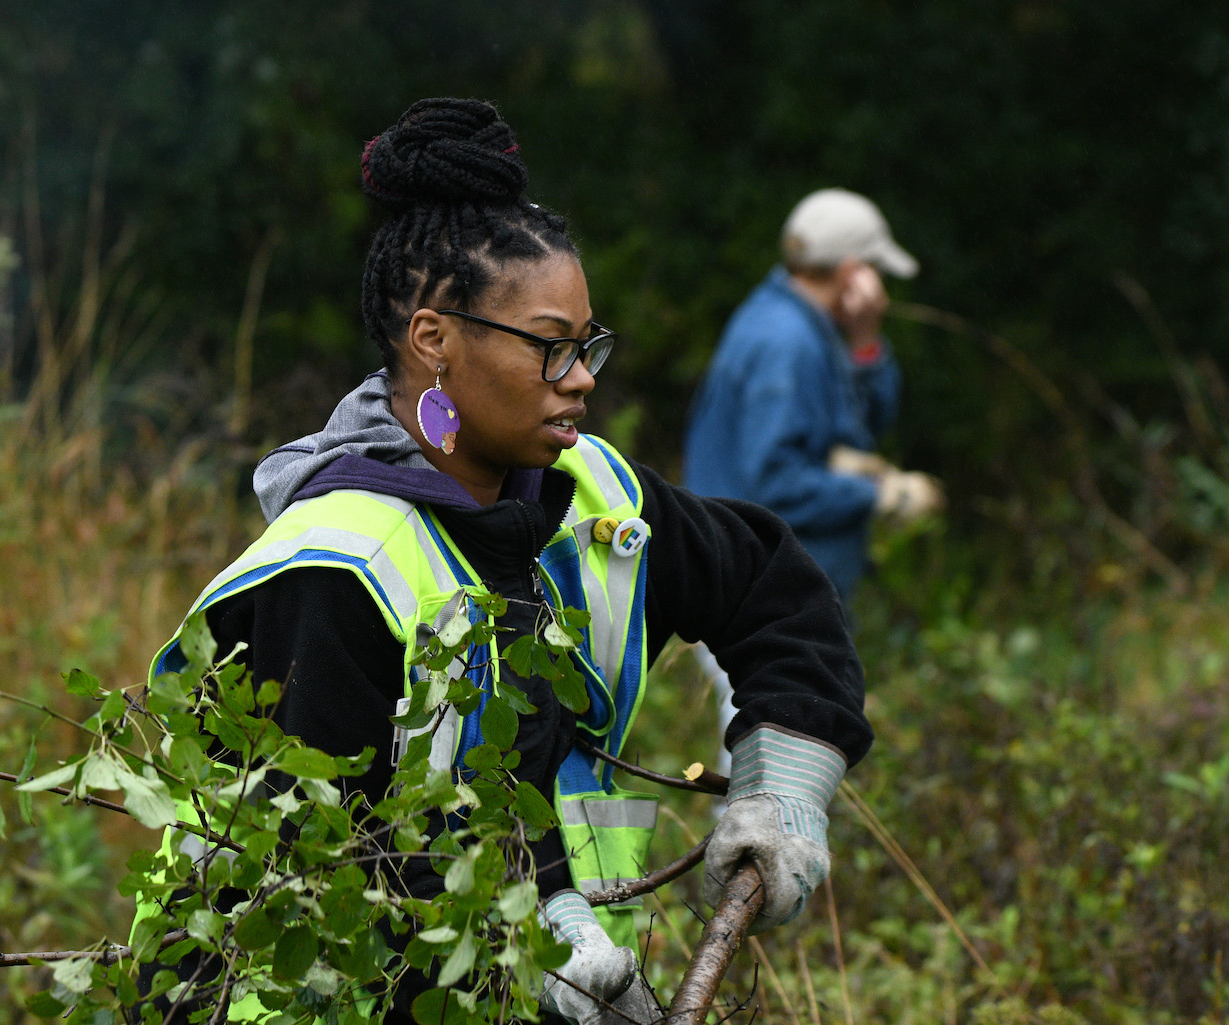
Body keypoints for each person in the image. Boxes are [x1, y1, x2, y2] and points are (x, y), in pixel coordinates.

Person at [137, 100, 872, 1024]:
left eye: (588, 344)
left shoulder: (590, 491)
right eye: (551, 346)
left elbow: (770, 582)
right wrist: (539, 936)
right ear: (434, 339)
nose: (583, 377)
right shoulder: (332, 573)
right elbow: (345, 867)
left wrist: (786, 792)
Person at [681, 188, 940, 775]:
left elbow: (858, 428)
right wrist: (882, 495)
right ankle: (749, 868)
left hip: (758, 587)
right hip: (752, 597)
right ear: (853, 272)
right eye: (875, 268)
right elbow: (775, 484)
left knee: (773, 749)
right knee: (769, 759)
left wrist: (865, 341)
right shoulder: (787, 344)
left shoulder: (796, 323)